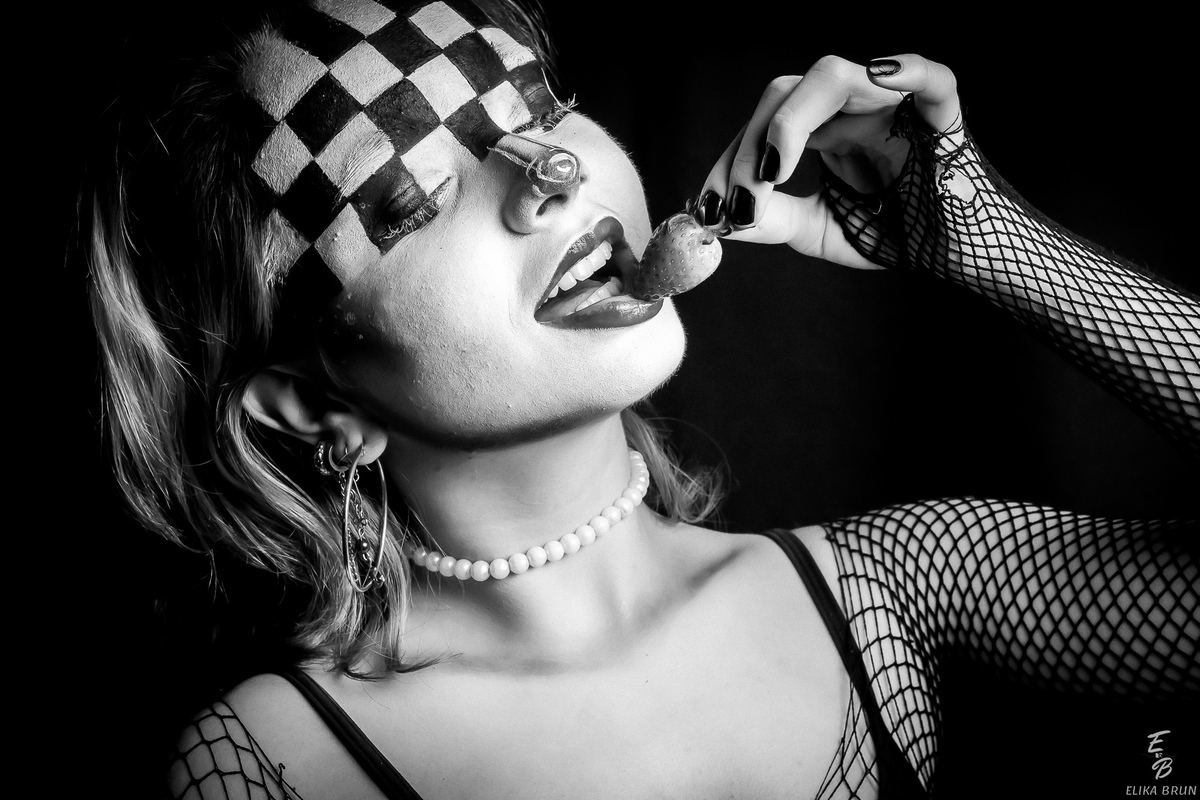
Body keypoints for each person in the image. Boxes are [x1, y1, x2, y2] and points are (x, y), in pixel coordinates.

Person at [78, 1, 1197, 798]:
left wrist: (986, 240)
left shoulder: (896, 586)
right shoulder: (271, 764)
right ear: (316, 407)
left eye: (536, 105)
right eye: (411, 200)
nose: (549, 172)